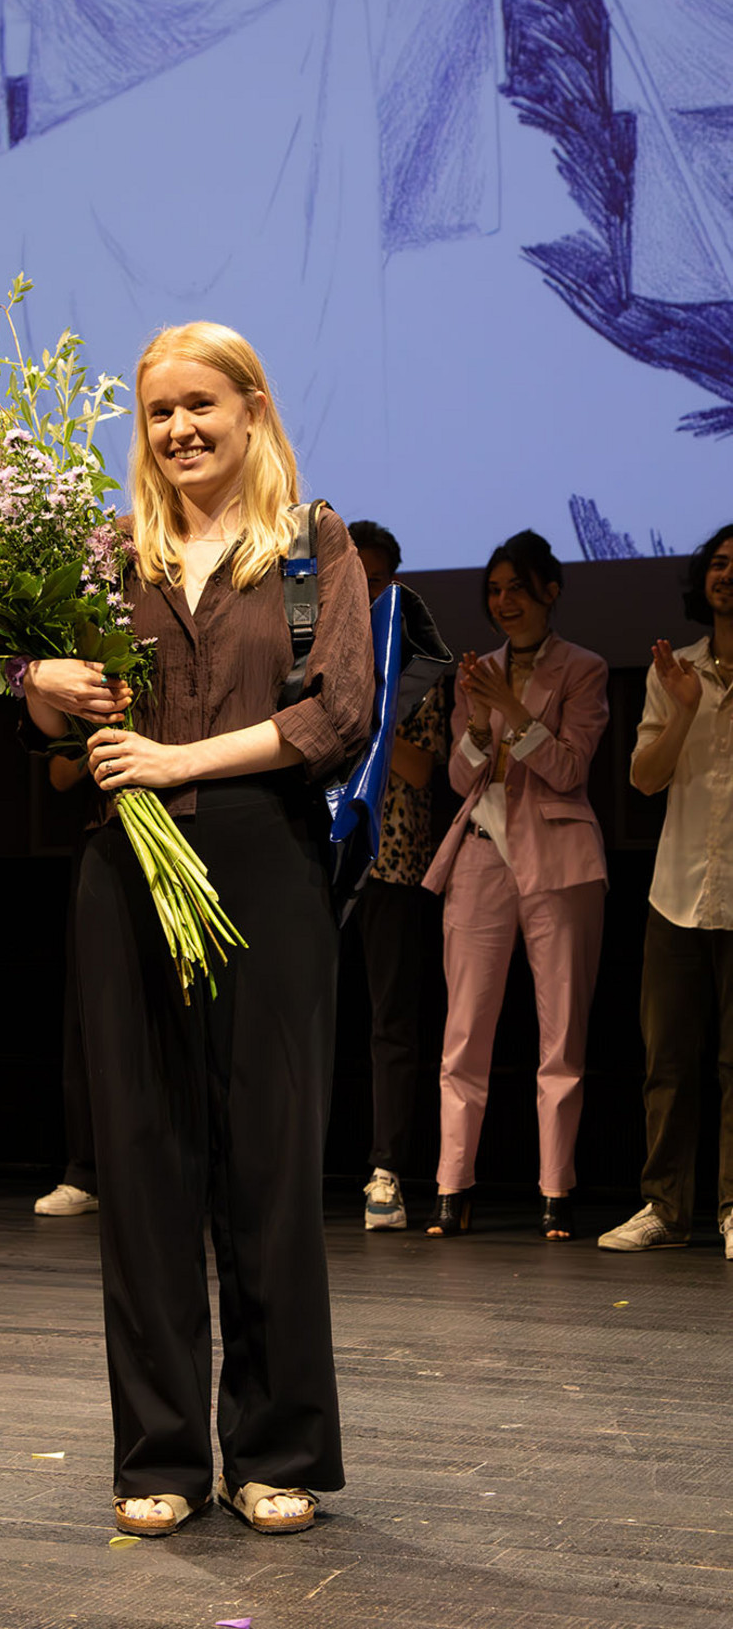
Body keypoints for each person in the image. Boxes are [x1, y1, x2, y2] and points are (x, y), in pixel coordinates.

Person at [22, 321, 373, 1538]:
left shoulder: (308, 544)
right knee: (145, 1162)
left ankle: (275, 1452)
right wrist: (38, 685)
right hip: (127, 868)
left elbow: (337, 712)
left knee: (270, 1165)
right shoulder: (108, 551)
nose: (177, 429)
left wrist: (178, 758)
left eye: (199, 405)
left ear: (251, 409)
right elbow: (58, 704)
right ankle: (162, 1454)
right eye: (157, 411)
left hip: (261, 860)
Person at [422, 532, 608, 1241]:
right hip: (480, 854)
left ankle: (556, 1191)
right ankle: (451, 1186)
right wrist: (475, 723)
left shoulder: (583, 669)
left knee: (560, 1035)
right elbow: (462, 778)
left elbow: (569, 768)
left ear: (549, 590)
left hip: (559, 859)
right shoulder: (476, 671)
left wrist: (518, 713)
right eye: (494, 590)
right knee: (463, 1032)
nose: (503, 602)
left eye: (516, 588)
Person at [599, 524, 733, 1258]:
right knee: (669, 1062)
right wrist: (682, 708)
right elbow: (644, 777)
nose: (726, 575)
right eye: (718, 562)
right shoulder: (674, 668)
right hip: (677, 889)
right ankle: (664, 1206)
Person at [346, 521, 446, 1232]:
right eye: (353, 577)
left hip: (394, 859)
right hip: (321, 854)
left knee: (392, 1023)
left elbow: (419, 767)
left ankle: (387, 1172)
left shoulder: (416, 666)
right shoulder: (310, 653)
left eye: (376, 579)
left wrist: (373, 714)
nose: (364, 590)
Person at [34, 750, 98, 1217]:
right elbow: (59, 774)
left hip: (199, 822)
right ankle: (86, 1170)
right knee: (89, 1011)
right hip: (108, 830)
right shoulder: (94, 676)